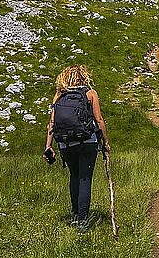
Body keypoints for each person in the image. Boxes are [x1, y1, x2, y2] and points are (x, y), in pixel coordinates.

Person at [44, 65, 110, 232]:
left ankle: (75, 215)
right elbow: (99, 120)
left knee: (74, 176)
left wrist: (48, 146)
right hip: (87, 142)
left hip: (65, 144)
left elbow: (51, 123)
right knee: (85, 178)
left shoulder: (59, 95)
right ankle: (82, 219)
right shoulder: (90, 93)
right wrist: (105, 143)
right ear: (84, 77)